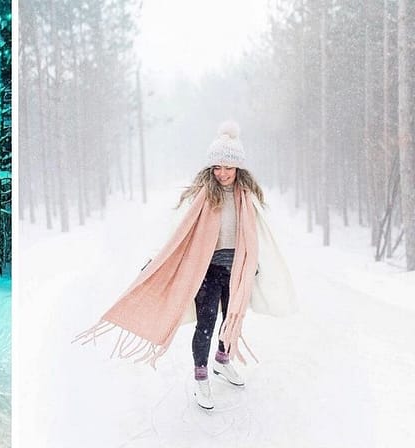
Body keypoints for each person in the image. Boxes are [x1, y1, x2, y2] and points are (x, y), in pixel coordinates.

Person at [75, 121, 296, 411]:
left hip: (238, 270)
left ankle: (222, 360)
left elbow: (259, 235)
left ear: (238, 168)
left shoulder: (248, 197)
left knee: (233, 319)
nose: (222, 173)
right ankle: (201, 376)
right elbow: (175, 229)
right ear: (210, 169)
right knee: (206, 323)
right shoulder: (201, 196)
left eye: (228, 167)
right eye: (217, 167)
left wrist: (257, 263)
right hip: (207, 270)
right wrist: (156, 258)